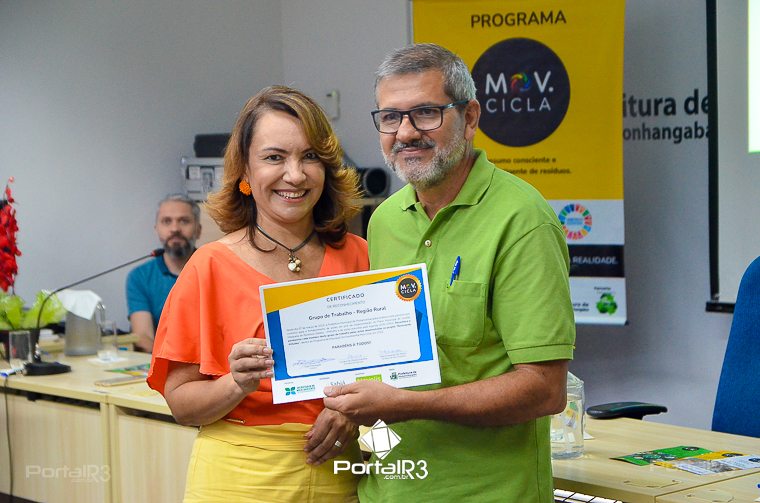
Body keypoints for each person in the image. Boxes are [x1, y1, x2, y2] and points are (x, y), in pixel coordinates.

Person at [323, 43, 576, 502]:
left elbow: (545, 390)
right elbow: (384, 369)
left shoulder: (523, 220)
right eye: (390, 117)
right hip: (387, 491)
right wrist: (355, 415)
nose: (405, 132)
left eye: (426, 113)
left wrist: (408, 406)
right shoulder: (385, 219)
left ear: (470, 117)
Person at [146, 85, 368, 503]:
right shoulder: (208, 267)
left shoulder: (361, 257)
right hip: (237, 481)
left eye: (309, 156)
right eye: (274, 157)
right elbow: (182, 406)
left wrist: (351, 413)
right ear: (245, 173)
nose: (295, 175)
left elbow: (392, 376)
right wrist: (235, 384)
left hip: (340, 476)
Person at [126, 193, 202, 352]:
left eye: (184, 221)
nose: (175, 229)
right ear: (157, 229)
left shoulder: (217, 270)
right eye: (167, 221)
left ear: (198, 230)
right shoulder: (140, 276)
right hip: (163, 361)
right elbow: (143, 337)